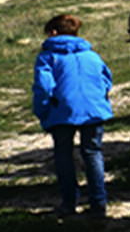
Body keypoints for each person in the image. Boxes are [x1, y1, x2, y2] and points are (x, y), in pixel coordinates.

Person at [31, 13, 114, 217]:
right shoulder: (93, 55)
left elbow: (44, 86)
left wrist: (42, 112)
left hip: (61, 111)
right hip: (93, 111)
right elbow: (106, 80)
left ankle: (69, 202)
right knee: (93, 153)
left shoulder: (48, 57)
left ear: (54, 32)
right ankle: (98, 203)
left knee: (63, 155)